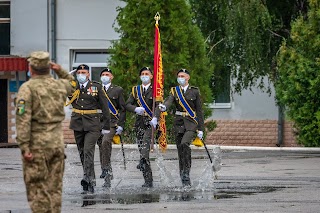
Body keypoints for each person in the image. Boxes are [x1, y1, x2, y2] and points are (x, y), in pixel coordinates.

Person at [15, 51, 76, 213]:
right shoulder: (58, 85)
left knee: (37, 188)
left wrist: (24, 147)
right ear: (49, 67)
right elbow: (72, 84)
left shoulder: (27, 88)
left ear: (31, 68)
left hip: (37, 146)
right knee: (55, 188)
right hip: (57, 144)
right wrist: (60, 70)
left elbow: (23, 119)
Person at [155, 68, 204, 187]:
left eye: (183, 76)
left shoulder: (195, 92)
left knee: (184, 144)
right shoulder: (174, 91)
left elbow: (199, 111)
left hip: (191, 123)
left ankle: (186, 172)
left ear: (188, 78)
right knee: (180, 151)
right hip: (178, 123)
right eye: (179, 76)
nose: (180, 78)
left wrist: (201, 129)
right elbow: (169, 101)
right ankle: (183, 176)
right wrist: (164, 107)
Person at [66, 64, 111, 193]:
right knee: (81, 152)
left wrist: (106, 126)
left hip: (93, 124)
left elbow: (105, 107)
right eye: (79, 72)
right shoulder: (73, 87)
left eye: (83, 72)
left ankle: (87, 179)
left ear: (88, 74)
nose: (81, 74)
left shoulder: (96, 87)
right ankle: (90, 179)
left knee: (88, 151)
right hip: (77, 123)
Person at [125, 67, 158, 188]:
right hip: (139, 123)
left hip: (151, 124)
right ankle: (148, 180)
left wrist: (156, 117)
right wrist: (135, 109)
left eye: (147, 74)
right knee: (142, 151)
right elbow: (127, 104)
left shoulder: (156, 90)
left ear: (151, 76)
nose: (144, 75)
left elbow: (159, 106)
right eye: (142, 74)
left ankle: (142, 161)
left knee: (145, 146)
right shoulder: (135, 90)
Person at [97, 67, 126, 188]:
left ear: (111, 77)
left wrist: (121, 125)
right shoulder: (96, 89)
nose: (105, 76)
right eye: (103, 74)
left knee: (105, 142)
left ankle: (105, 169)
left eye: (107, 74)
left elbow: (122, 109)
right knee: (101, 148)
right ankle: (107, 176)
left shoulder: (117, 90)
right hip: (98, 123)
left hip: (112, 123)